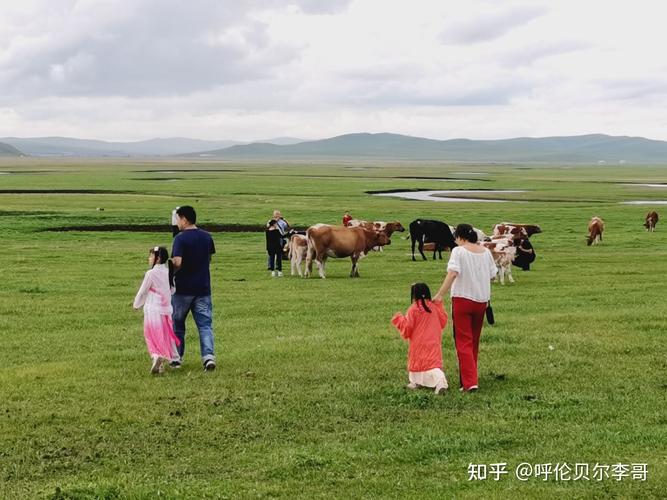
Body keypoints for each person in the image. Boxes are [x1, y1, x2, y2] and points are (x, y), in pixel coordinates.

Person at [433, 224, 497, 392]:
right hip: (481, 301)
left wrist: (440, 294)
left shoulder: (458, 251)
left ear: (460, 237)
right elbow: (492, 275)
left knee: (463, 341)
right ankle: (469, 377)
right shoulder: (486, 252)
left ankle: (470, 383)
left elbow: (453, 273)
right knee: (473, 340)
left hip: (462, 299)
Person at [171, 206, 217, 371]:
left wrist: (169, 273)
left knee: (177, 325)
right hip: (203, 288)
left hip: (182, 289)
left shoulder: (180, 239)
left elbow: (177, 262)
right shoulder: (206, 237)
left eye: (177, 219)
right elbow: (209, 258)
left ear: (184, 219)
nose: (177, 223)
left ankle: (176, 358)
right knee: (205, 325)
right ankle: (208, 358)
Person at [391, 283, 449, 394]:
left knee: (417, 364)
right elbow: (443, 321)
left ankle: (416, 382)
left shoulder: (413, 309)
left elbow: (407, 329)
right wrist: (439, 304)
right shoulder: (434, 307)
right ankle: (440, 382)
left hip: (418, 344)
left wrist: (399, 319)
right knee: (433, 365)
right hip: (433, 342)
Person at [133, 246, 181, 375]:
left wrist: (137, 304)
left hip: (152, 309)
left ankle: (156, 356)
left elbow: (143, 291)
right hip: (166, 310)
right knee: (166, 334)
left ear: (157, 258)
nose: (149, 259)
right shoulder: (168, 272)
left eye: (151, 256)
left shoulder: (151, 274)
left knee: (152, 334)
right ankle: (173, 359)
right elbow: (172, 290)